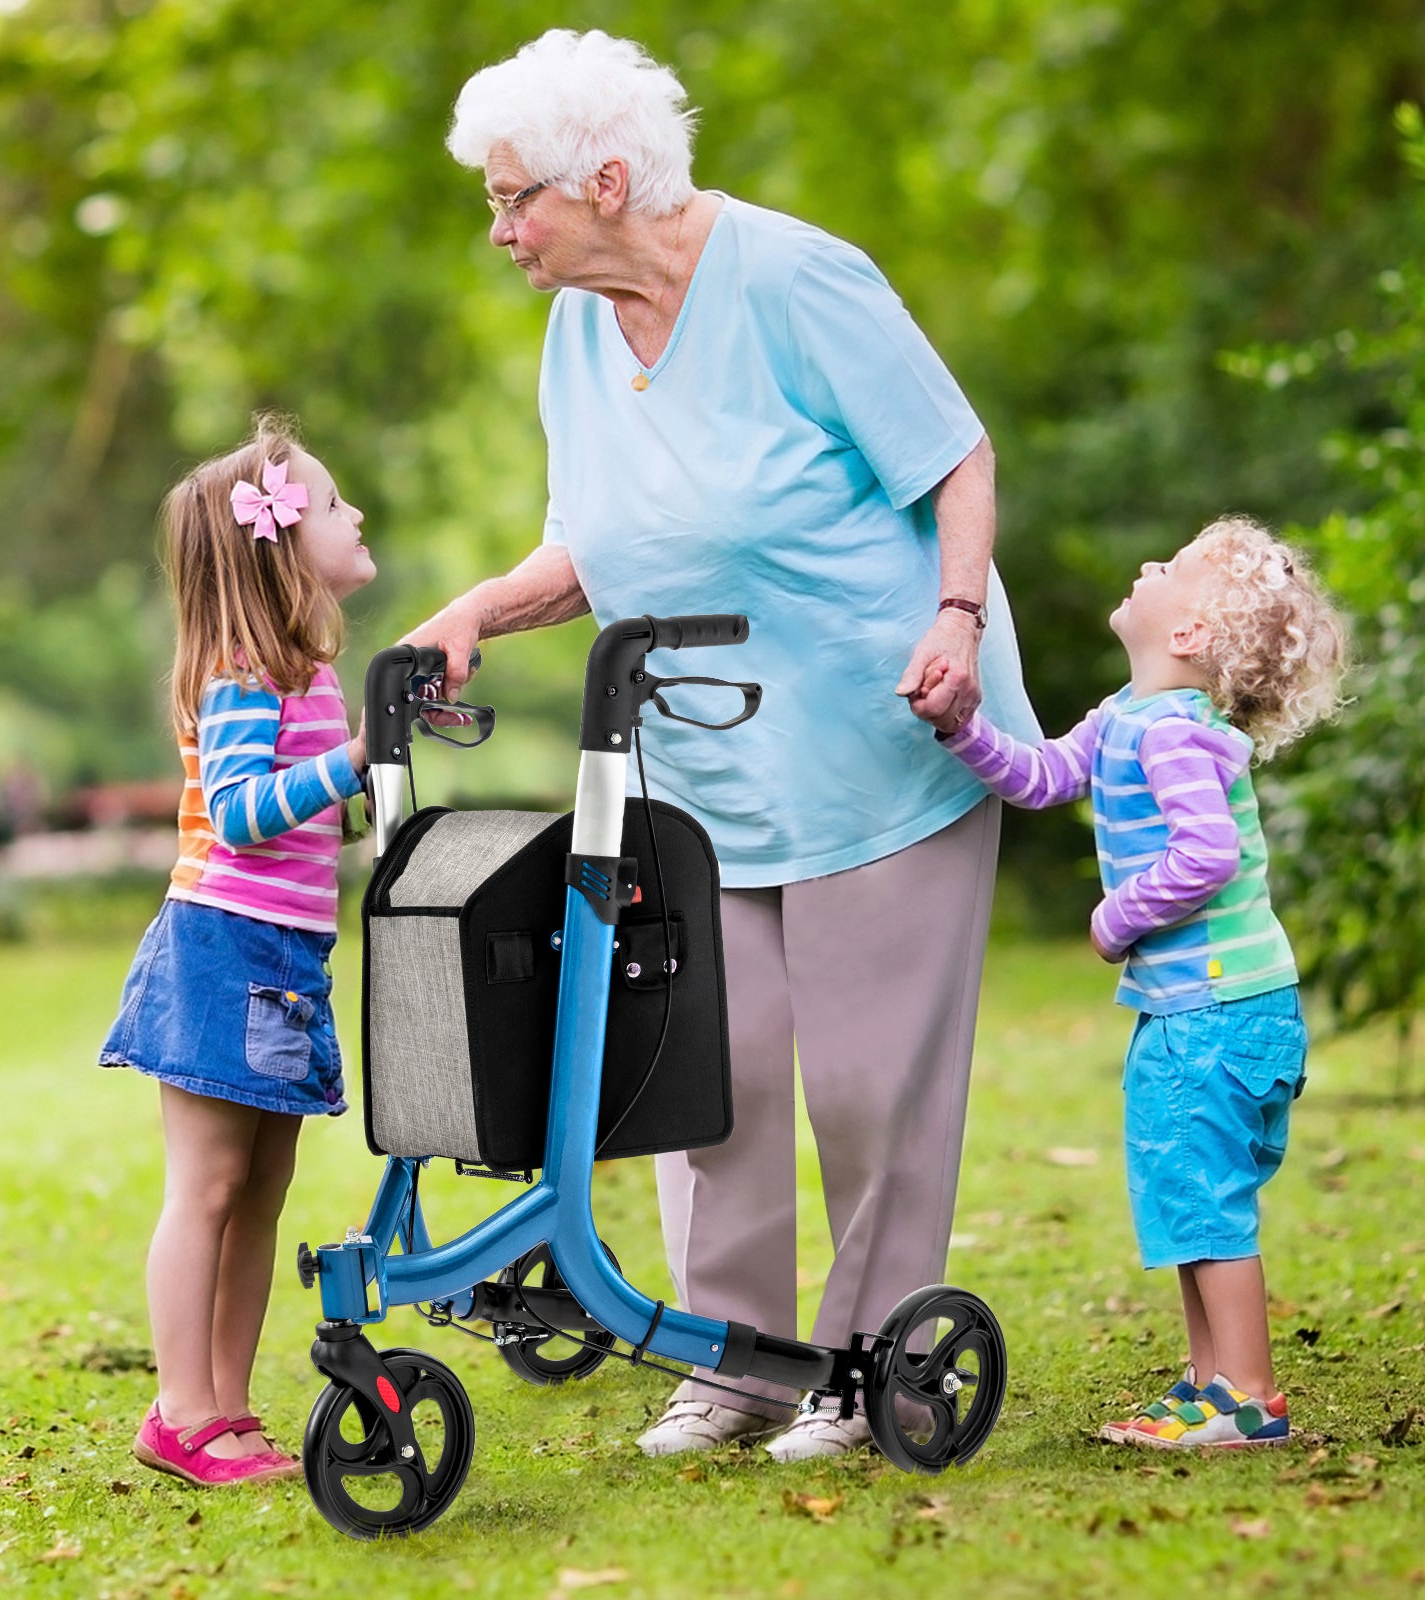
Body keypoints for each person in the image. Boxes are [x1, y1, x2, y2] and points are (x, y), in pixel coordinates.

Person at [409, 29, 1042, 1460]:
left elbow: (956, 458)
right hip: (705, 765)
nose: (502, 231)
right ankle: (737, 1362)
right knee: (710, 1069)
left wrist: (952, 618)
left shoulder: (799, 280)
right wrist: (474, 611)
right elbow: (592, 548)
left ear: (611, 178)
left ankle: (871, 1369)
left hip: (885, 731)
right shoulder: (578, 329)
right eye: (495, 203)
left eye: (519, 201)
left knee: (877, 1082)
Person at [917, 515, 1346, 1448]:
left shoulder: (1177, 737)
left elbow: (1206, 854)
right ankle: (1208, 1385)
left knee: (1206, 1200)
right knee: (1188, 1198)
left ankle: (1249, 1398)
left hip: (1218, 1015)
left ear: (1187, 634)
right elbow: (1038, 779)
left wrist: (1118, 919)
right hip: (1202, 1012)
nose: (1149, 563)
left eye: (1174, 567)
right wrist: (961, 728)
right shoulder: (1126, 716)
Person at [99, 417, 376, 1485]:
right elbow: (243, 810)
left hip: (285, 954)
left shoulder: (306, 669)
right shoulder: (239, 670)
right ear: (281, 540)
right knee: (208, 1185)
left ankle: (227, 1405)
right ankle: (180, 1408)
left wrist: (371, 764)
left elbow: (315, 817)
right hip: (222, 945)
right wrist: (352, 762)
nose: (355, 516)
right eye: (336, 502)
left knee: (260, 1188)